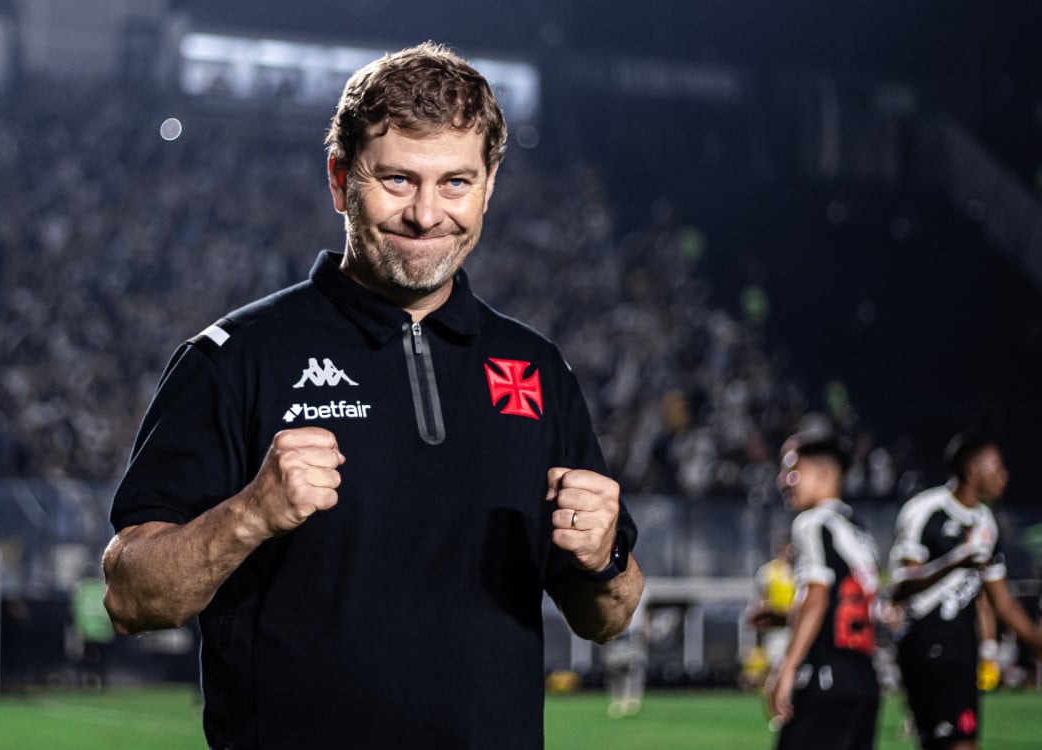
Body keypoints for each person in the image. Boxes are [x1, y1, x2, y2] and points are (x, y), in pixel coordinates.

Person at [101, 41, 644, 749]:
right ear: (340, 180)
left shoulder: (537, 369)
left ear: (489, 186)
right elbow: (130, 596)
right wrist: (250, 514)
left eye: (455, 182)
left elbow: (606, 616)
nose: (426, 214)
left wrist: (603, 559)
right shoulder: (233, 359)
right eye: (397, 180)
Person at [888, 432, 1042, 750]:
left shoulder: (986, 522)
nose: (1004, 475)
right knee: (959, 745)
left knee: (954, 742)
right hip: (927, 643)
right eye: (997, 467)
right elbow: (901, 584)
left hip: (962, 648)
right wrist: (956, 560)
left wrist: (1034, 640)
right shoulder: (926, 511)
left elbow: (1001, 599)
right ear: (972, 470)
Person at [765, 432, 881, 750]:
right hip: (865, 680)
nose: (783, 480)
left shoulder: (812, 523)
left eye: (792, 470)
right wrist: (784, 618)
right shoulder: (859, 530)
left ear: (824, 473)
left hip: (826, 676)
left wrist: (786, 667)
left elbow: (817, 595)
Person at [747, 536, 796, 681]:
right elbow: (758, 601)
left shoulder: (802, 571)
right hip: (776, 631)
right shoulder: (768, 571)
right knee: (778, 669)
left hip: (796, 627)